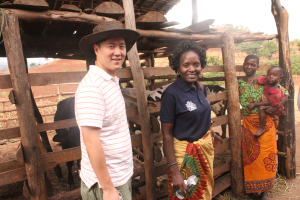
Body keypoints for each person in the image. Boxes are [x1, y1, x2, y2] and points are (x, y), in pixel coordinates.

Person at [75, 21, 140, 200]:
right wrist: (108, 188)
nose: (118, 52)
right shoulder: (93, 88)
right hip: (106, 185)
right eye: (111, 46)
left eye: (122, 46)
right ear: (96, 49)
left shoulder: (110, 81)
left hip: (118, 177)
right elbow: (91, 142)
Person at [160, 40, 215, 200]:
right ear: (178, 67)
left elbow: (200, 114)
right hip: (183, 155)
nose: (192, 69)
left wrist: (208, 132)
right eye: (186, 65)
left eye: (196, 64)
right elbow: (167, 135)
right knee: (184, 195)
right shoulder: (171, 94)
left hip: (204, 150)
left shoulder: (200, 88)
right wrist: (175, 171)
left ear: (201, 65)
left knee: (203, 192)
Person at [239, 55, 278, 200]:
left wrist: (276, 107)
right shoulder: (238, 83)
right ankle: (253, 189)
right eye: (246, 64)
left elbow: (282, 93)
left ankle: (265, 191)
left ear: (258, 66)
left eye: (253, 64)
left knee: (266, 156)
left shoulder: (265, 80)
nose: (249, 67)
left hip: (265, 124)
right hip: (248, 124)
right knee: (251, 158)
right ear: (243, 65)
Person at [247, 66, 288, 136]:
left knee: (261, 108)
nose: (271, 77)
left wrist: (255, 104)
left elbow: (270, 102)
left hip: (276, 106)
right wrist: (253, 89)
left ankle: (262, 127)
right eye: (269, 74)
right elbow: (256, 80)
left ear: (280, 78)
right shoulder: (266, 80)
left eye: (274, 75)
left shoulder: (276, 92)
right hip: (269, 100)